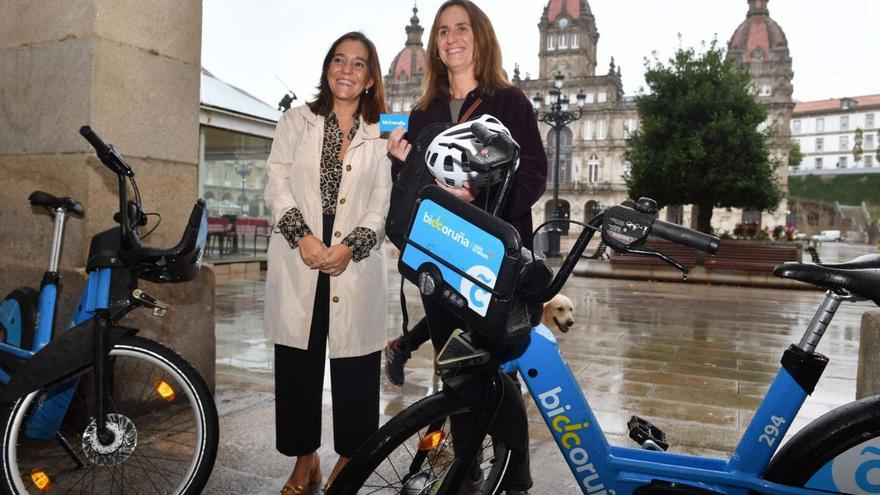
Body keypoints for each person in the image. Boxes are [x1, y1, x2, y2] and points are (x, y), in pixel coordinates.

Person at [384, 1, 547, 492]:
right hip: (440, 260)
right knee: (454, 373)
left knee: (498, 373)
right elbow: (417, 189)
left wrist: (478, 193)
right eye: (442, 32)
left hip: (492, 265)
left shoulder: (510, 102)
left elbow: (534, 174)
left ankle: (514, 477)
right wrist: (401, 162)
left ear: (479, 37)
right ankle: (467, 473)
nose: (451, 38)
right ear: (434, 44)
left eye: (461, 29)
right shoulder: (424, 110)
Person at [263, 31, 391, 495]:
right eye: (339, 60)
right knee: (298, 367)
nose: (346, 70)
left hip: (353, 264)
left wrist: (350, 246)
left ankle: (348, 464)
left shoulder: (383, 133)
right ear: (327, 68)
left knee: (356, 371)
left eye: (359, 64)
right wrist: (302, 237)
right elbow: (276, 182)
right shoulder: (296, 121)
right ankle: (305, 461)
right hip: (301, 258)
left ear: (371, 78)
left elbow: (382, 202)